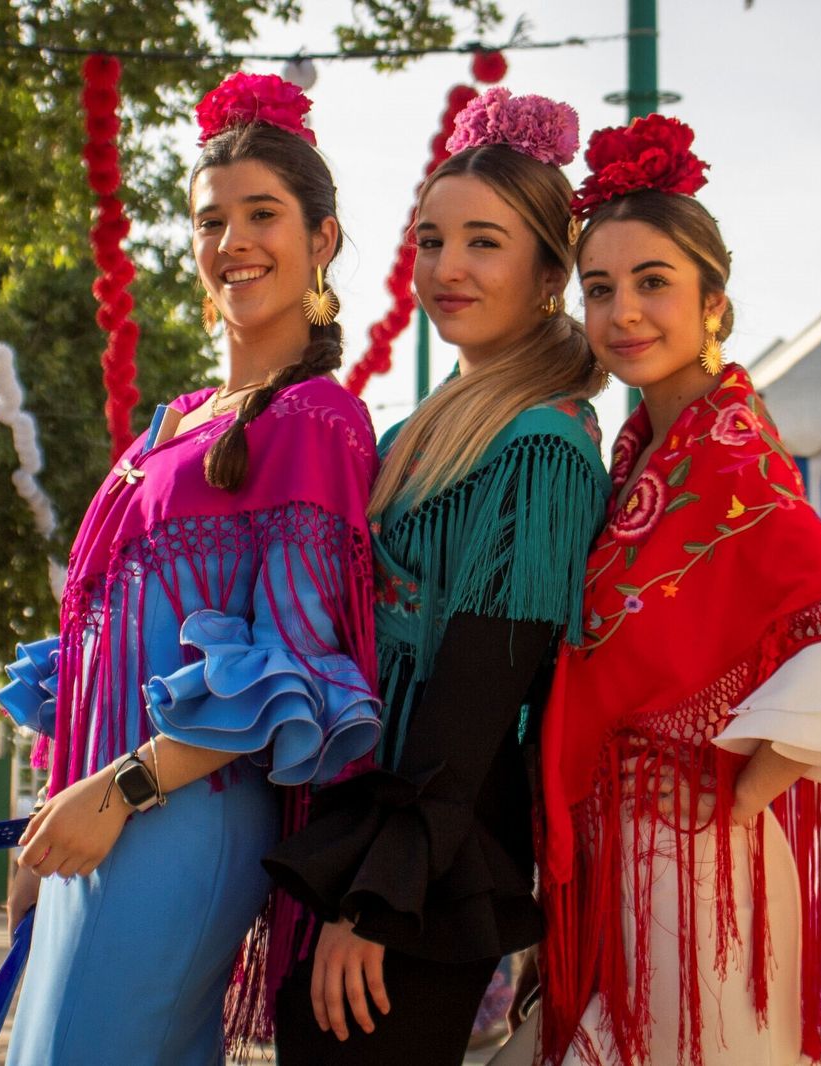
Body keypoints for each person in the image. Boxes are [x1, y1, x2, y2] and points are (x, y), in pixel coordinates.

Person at [534, 115, 821, 1066]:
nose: (623, 310)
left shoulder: (735, 455)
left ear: (715, 305)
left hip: (688, 866)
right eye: (600, 289)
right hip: (620, 863)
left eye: (653, 282)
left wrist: (732, 807)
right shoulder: (639, 456)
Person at [1, 73, 382, 1065]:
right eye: (212, 220)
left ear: (322, 239)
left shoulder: (317, 423)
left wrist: (116, 790)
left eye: (264, 214)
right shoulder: (177, 417)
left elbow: (295, 663)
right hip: (99, 809)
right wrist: (60, 802)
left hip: (178, 815)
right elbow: (101, 635)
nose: (233, 242)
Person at [264, 87, 610, 1065]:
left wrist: (376, 900)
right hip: (368, 824)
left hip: (428, 856)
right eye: (429, 240)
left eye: (483, 242)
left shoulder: (542, 445)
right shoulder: (421, 429)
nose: (445, 267)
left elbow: (477, 687)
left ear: (551, 271)